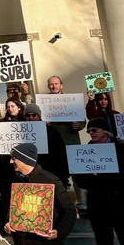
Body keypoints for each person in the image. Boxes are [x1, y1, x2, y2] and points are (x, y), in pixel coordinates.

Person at [46, 76, 86, 215]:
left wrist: (78, 125)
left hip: (72, 143)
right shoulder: (45, 103)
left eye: (56, 83)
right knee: (58, 176)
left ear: (61, 85)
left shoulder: (72, 101)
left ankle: (82, 205)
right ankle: (61, 206)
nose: (54, 86)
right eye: (51, 84)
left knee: (78, 176)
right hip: (54, 146)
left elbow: (82, 121)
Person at [0, 98, 25, 227]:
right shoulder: (2, 123)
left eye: (13, 106)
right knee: (6, 196)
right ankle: (4, 224)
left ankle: (20, 223)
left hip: (21, 166)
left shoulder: (27, 123)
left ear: (19, 107)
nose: (10, 108)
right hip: (3, 165)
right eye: (8, 106)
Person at [23, 104, 70, 187]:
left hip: (51, 171)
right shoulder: (21, 133)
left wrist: (64, 174)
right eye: (28, 115)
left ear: (39, 116)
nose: (31, 118)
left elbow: (61, 153)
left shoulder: (51, 131)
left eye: (34, 115)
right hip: (30, 173)